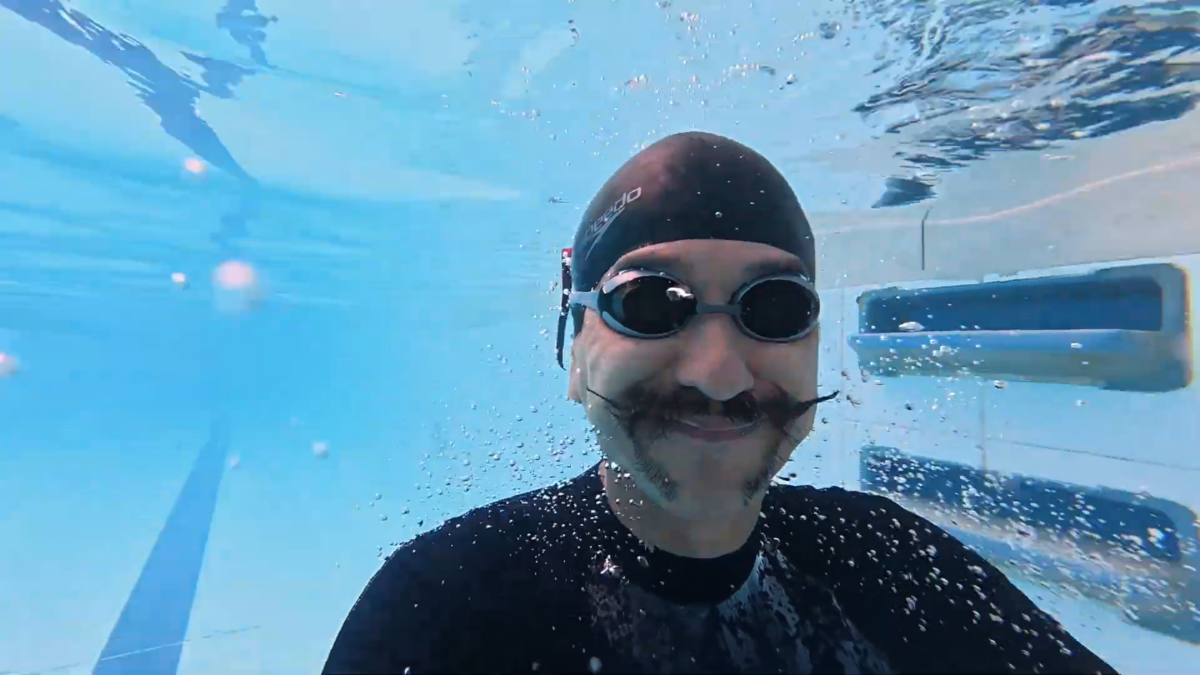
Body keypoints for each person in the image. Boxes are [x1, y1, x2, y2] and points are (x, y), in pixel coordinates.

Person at [324, 132, 1116, 674]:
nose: (718, 374)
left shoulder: (891, 559)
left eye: (771, 309)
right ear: (572, 349)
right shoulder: (443, 603)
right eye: (650, 304)